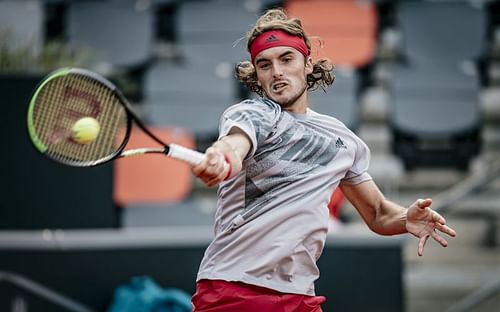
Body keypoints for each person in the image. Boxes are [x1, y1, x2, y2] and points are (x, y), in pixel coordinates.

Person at [190, 8, 457, 312]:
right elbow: (234, 145)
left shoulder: (342, 139)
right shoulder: (252, 115)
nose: (276, 71)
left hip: (300, 295)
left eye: (286, 59)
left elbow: (378, 213)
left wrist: (404, 219)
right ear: (257, 75)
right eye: (264, 64)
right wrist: (221, 157)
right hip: (234, 290)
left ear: (307, 65)